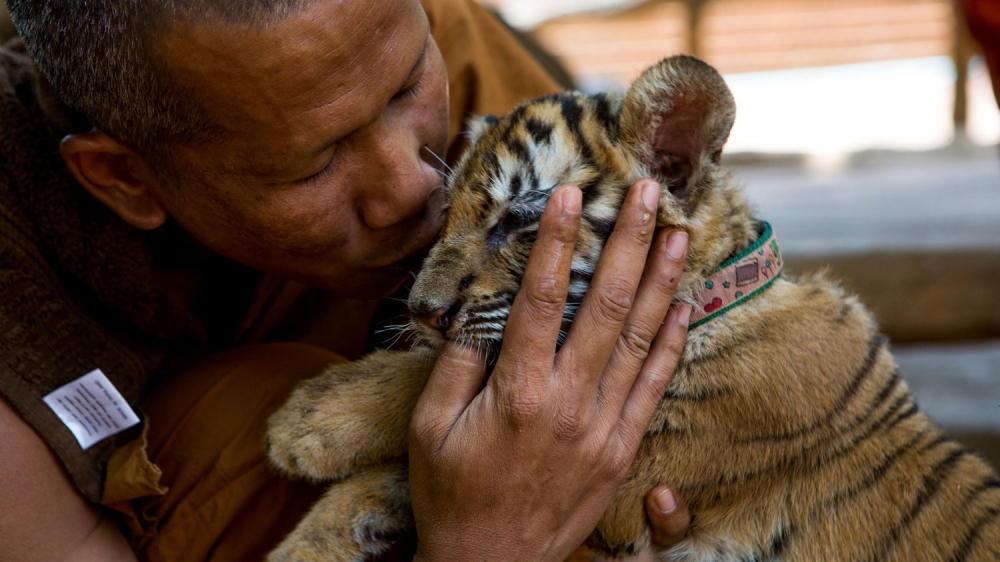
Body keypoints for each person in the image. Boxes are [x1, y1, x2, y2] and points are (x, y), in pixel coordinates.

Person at [0, 0, 693, 560]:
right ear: (124, 179)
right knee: (261, 416)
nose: (413, 186)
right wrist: (481, 547)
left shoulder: (423, 34)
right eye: (315, 165)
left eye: (405, 88)